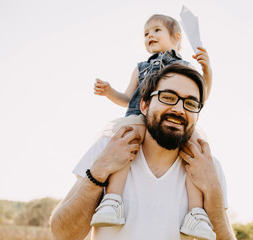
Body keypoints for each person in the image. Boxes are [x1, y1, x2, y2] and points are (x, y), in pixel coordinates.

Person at [50, 64, 237, 240]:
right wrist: (100, 170)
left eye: (190, 103)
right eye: (168, 97)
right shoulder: (109, 148)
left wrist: (213, 190)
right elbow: (63, 234)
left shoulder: (208, 166)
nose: (179, 109)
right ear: (144, 106)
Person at [90, 14, 214, 239]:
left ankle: (196, 213)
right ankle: (113, 200)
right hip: (139, 115)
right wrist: (109, 93)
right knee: (125, 142)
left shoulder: (184, 66)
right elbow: (128, 98)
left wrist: (207, 72)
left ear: (177, 37)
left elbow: (201, 96)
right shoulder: (140, 68)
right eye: (146, 34)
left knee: (192, 152)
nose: (150, 36)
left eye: (156, 30)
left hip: (174, 122)